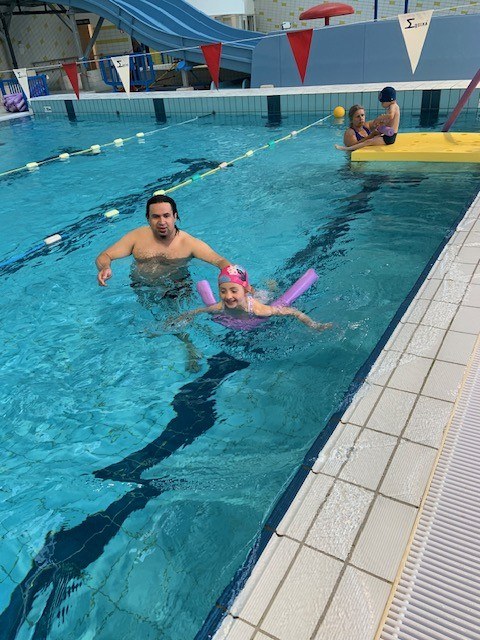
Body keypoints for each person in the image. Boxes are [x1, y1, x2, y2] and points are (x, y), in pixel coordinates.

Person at [95, 194, 230, 287]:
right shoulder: (136, 237)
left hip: (177, 290)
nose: (162, 222)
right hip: (141, 288)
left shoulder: (189, 243)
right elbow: (105, 255)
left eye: (166, 216)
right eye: (156, 217)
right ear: (148, 218)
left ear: (175, 217)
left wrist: (236, 284)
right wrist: (105, 267)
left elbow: (221, 262)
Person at [177, 264, 332, 331]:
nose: (228, 296)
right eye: (223, 291)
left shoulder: (259, 309)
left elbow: (291, 311)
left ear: (245, 291)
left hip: (262, 298)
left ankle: (272, 285)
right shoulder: (221, 306)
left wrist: (313, 325)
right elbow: (200, 310)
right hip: (248, 296)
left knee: (273, 293)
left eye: (233, 291)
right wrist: (183, 317)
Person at [335, 87, 400, 152]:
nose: (361, 118)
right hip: (353, 156)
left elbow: (386, 118)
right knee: (370, 141)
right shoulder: (350, 133)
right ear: (351, 119)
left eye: (362, 115)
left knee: (371, 140)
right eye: (358, 116)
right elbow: (353, 148)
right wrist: (372, 135)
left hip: (388, 138)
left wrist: (381, 122)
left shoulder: (366, 125)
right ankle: (345, 148)